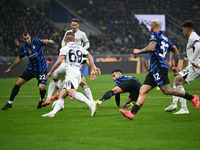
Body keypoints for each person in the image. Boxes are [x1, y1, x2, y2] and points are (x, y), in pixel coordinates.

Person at [120, 19, 199, 120]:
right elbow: (176, 51)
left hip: (158, 67)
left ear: (152, 26)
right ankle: (132, 113)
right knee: (143, 90)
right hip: (154, 69)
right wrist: (175, 66)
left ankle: (192, 98)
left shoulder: (154, 35)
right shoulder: (165, 38)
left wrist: (138, 51)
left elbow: (151, 47)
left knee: (167, 90)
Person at [41, 18, 98, 106]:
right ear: (71, 25)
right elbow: (90, 57)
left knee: (57, 80)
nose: (74, 26)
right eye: (72, 25)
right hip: (73, 63)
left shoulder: (81, 34)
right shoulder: (67, 34)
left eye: (75, 25)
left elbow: (87, 44)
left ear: (78, 25)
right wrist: (93, 69)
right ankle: (90, 102)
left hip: (73, 58)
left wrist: (50, 71)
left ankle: (51, 98)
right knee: (79, 84)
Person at [2, 33, 54, 110]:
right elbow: (19, 58)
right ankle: (10, 103)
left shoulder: (36, 42)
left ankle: (41, 100)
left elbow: (49, 42)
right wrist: (10, 68)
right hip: (31, 69)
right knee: (18, 83)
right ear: (23, 40)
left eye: (28, 38)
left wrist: (49, 41)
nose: (27, 40)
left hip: (41, 70)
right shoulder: (23, 47)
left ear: (30, 37)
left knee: (41, 88)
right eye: (25, 39)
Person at [165, 20, 200, 114]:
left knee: (177, 82)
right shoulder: (195, 36)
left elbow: (198, 47)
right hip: (195, 65)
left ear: (186, 28)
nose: (182, 32)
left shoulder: (193, 37)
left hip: (195, 66)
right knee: (177, 82)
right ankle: (176, 104)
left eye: (183, 30)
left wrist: (192, 60)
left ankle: (182, 107)